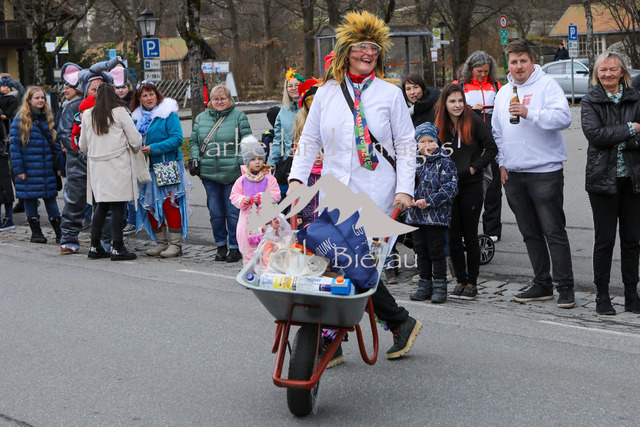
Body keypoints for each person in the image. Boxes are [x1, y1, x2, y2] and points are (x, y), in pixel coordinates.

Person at [288, 11, 422, 359]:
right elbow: (310, 140)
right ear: (347, 51)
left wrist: (405, 189)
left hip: (376, 195)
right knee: (335, 261)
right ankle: (396, 322)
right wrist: (297, 179)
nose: (369, 53)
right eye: (362, 47)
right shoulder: (327, 93)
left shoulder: (390, 94)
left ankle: (330, 338)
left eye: (374, 49)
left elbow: (406, 144)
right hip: (335, 195)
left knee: (357, 264)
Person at [492, 39, 575, 308]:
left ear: (532, 62)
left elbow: (563, 118)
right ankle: (542, 284)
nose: (518, 67)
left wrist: (530, 112)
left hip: (545, 172)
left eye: (523, 61)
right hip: (514, 175)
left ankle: (565, 287)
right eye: (513, 62)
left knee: (554, 231)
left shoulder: (547, 85)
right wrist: (502, 162)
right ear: (508, 64)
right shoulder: (503, 92)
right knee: (529, 233)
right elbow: (497, 132)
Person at [580, 51, 640, 315]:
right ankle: (602, 296)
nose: (608, 74)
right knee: (604, 241)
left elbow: (610, 137)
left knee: (632, 240)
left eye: (613, 69)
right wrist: (631, 128)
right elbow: (595, 136)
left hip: (633, 180)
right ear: (597, 73)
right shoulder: (590, 100)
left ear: (622, 72)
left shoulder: (636, 98)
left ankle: (631, 295)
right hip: (602, 180)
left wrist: (618, 137)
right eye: (603, 70)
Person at [435, 84, 498, 300]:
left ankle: (472, 282)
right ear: (445, 103)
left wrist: (474, 167)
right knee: (453, 236)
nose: (457, 105)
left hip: (471, 184)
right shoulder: (440, 124)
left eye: (460, 100)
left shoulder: (473, 120)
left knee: (469, 235)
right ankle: (460, 280)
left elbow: (491, 148)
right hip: (448, 187)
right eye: (452, 101)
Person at [59, 59, 122, 254]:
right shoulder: (73, 107)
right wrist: (81, 152)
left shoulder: (113, 108)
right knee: (74, 201)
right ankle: (69, 238)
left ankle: (106, 240)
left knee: (105, 203)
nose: (97, 92)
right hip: (78, 164)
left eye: (101, 88)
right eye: (94, 88)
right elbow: (65, 133)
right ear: (85, 88)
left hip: (104, 164)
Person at [188, 84, 251, 262]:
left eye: (223, 98)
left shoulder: (239, 117)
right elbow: (194, 141)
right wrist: (196, 158)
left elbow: (247, 141)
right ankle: (220, 245)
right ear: (211, 101)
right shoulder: (201, 118)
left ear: (229, 100)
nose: (219, 102)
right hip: (209, 173)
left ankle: (235, 247)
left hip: (233, 174)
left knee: (233, 212)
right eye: (216, 99)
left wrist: (239, 162)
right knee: (215, 212)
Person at [79, 83, 142, 261]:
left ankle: (94, 246)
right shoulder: (120, 112)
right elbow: (136, 141)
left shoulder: (88, 114)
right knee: (117, 206)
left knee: (101, 205)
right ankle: (117, 247)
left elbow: (83, 145)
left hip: (98, 166)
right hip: (118, 164)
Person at [132, 82, 190, 258]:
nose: (149, 98)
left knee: (169, 204)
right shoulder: (136, 118)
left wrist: (153, 148)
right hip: (146, 168)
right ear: (139, 99)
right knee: (149, 205)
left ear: (157, 95)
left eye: (151, 94)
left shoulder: (168, 113)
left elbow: (177, 139)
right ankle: (160, 242)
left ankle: (175, 244)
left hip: (166, 165)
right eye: (144, 95)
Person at [406, 122, 458, 303]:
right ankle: (424, 284)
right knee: (420, 251)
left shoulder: (445, 162)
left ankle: (440, 286)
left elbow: (450, 188)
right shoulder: (412, 163)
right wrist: (409, 198)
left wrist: (429, 201)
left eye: (430, 141)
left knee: (436, 251)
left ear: (437, 142)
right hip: (416, 216)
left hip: (436, 217)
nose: (427, 145)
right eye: (422, 142)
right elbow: (406, 184)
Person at [455, 51, 503, 241]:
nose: (483, 75)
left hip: (492, 141)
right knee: (467, 186)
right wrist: (470, 111)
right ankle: (464, 229)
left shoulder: (496, 86)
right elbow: (450, 111)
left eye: (486, 71)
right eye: (479, 71)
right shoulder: (459, 86)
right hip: (469, 141)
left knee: (494, 188)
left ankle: (492, 230)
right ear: (470, 69)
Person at [9, 86, 63, 243]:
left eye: (43, 98)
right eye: (37, 98)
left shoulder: (48, 117)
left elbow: (56, 143)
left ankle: (59, 233)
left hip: (47, 167)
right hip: (28, 168)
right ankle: (36, 233)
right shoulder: (20, 120)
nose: (41, 100)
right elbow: (15, 147)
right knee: (30, 199)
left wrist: (59, 165)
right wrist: (19, 169)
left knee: (50, 198)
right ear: (29, 100)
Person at [229, 136, 281, 264]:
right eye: (253, 159)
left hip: (266, 220)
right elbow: (234, 196)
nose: (257, 162)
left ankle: (265, 271)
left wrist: (264, 197)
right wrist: (243, 199)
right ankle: (249, 270)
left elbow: (276, 195)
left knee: (267, 250)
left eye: (260, 159)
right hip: (247, 220)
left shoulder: (269, 179)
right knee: (248, 250)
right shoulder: (241, 180)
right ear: (247, 162)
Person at [268, 68, 302, 190]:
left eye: (297, 85)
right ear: (286, 89)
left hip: (310, 161)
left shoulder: (311, 107)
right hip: (289, 161)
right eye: (290, 86)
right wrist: (272, 161)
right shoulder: (283, 111)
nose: (293, 88)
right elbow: (278, 139)